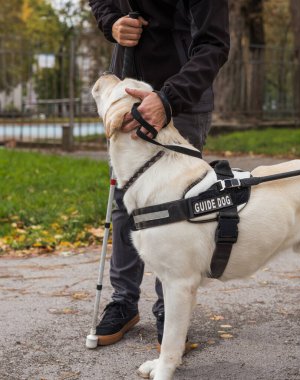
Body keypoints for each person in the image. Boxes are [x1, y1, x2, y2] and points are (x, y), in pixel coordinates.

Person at [88, 0, 230, 346]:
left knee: (180, 202)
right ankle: (123, 301)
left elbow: (214, 42)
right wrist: (112, 22)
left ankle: (171, 306)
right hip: (128, 83)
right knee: (127, 200)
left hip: (182, 94)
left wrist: (169, 98)